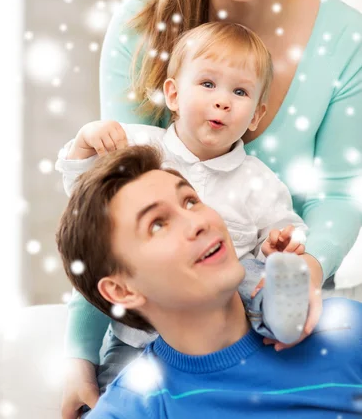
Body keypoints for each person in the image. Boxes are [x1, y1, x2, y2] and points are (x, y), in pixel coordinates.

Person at [61, 0, 362, 418]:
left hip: (282, 315)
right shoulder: (140, 26)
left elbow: (335, 194)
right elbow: (109, 204)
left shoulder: (346, 39)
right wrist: (79, 352)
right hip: (163, 334)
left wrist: (306, 266)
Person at [57, 20, 313, 391]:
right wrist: (86, 141)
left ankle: (282, 320)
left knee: (254, 273)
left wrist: (281, 245)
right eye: (208, 84)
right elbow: (85, 200)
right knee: (120, 388)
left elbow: (287, 227)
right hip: (140, 333)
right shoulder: (137, 145)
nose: (222, 100)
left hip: (221, 321)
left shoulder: (260, 182)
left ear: (256, 115)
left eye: (240, 92)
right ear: (173, 95)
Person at [56, 145, 362, 418]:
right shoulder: (132, 408)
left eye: (190, 202)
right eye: (158, 224)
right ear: (122, 290)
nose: (199, 222)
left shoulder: (344, 328)